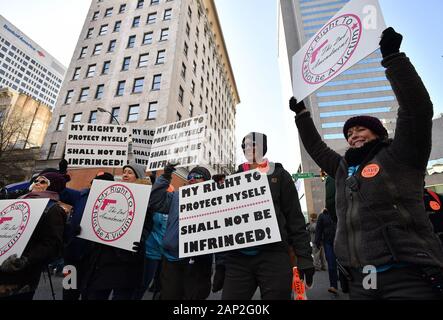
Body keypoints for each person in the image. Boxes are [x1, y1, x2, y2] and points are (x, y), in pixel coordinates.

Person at [290, 27, 443, 299]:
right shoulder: (341, 168)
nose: (353, 135)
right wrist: (301, 114)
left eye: (360, 130)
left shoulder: (401, 154)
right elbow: (315, 147)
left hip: (407, 275)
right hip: (361, 280)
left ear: (379, 133)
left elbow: (417, 110)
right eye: (349, 134)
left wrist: (393, 58)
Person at [219, 132, 314, 300]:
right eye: (244, 146)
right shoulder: (232, 179)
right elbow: (222, 223)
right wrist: (221, 263)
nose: (248, 148)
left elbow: (295, 219)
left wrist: (304, 257)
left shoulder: (280, 175)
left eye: (252, 144)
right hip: (238, 259)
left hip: (274, 256)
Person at [81, 163, 149, 300]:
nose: (125, 174)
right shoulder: (113, 192)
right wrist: (85, 229)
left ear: (138, 176)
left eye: (130, 172)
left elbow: (148, 225)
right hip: (104, 256)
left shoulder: (146, 197)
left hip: (126, 259)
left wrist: (140, 238)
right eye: (124, 172)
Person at [148, 164, 213, 300]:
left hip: (198, 261)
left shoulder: (215, 200)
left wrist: (222, 265)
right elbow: (155, 201)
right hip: (172, 259)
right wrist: (165, 176)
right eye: (190, 176)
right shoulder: (177, 196)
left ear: (206, 181)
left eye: (197, 177)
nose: (192, 179)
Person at [0, 172, 67, 300]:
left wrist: (26, 259)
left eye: (42, 182)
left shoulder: (53, 209)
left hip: (21, 273)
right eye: (36, 180)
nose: (36, 183)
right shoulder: (18, 201)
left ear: (53, 187)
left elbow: (52, 244)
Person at [62, 171, 115, 300]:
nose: (96, 186)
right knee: (69, 292)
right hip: (72, 256)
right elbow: (60, 191)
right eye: (95, 182)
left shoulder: (113, 203)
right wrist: (61, 174)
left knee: (89, 294)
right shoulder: (81, 195)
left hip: (94, 260)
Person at [315, 209, 339, 295]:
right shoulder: (322, 215)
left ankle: (345, 285)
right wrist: (317, 242)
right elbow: (318, 229)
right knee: (331, 264)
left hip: (340, 241)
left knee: (344, 264)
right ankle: (334, 286)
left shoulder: (338, 211)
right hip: (328, 242)